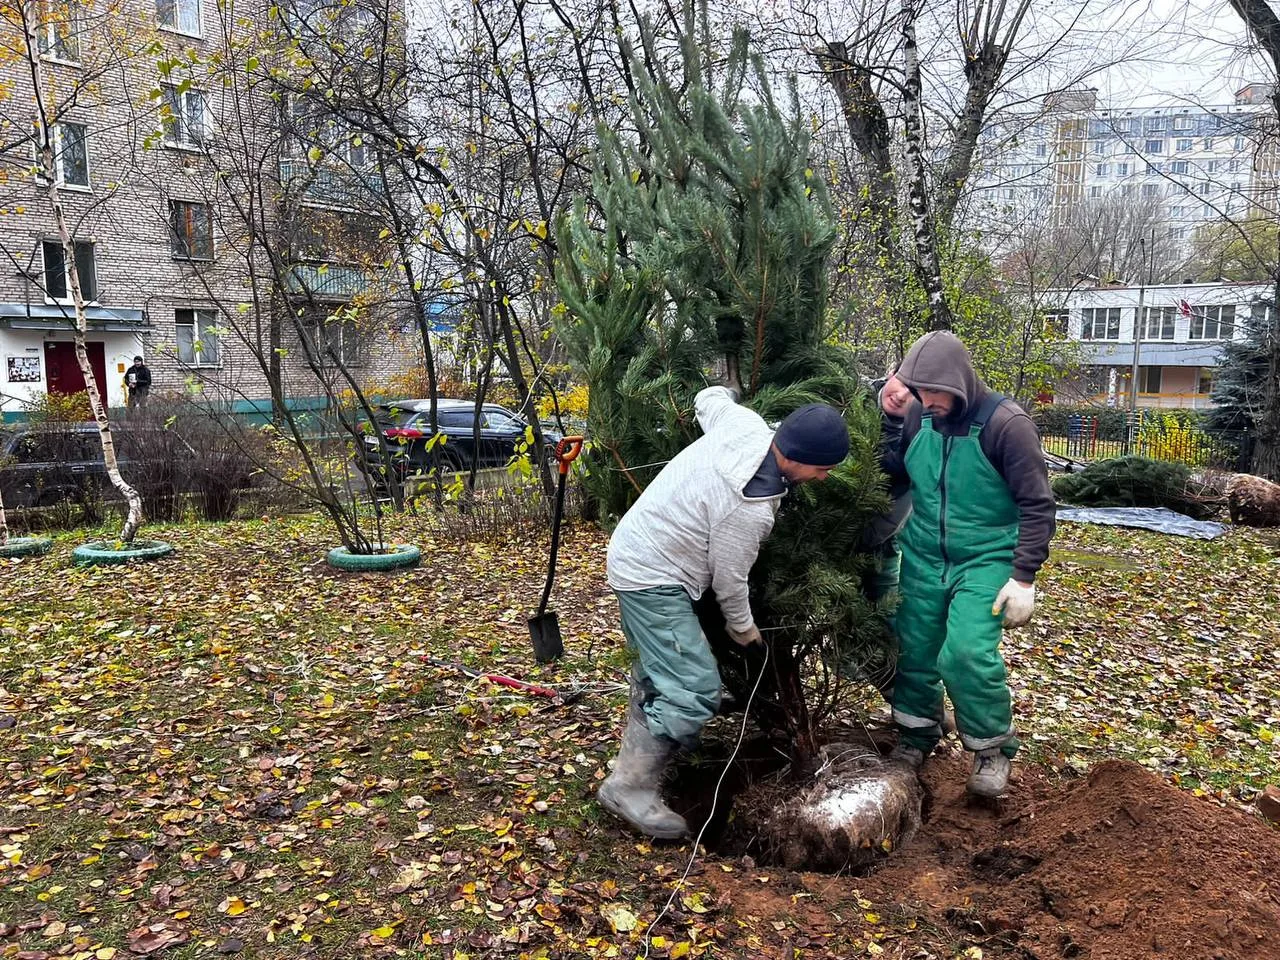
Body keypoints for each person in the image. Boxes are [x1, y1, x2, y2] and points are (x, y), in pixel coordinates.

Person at [599, 385, 851, 838]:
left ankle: (638, 770)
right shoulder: (748, 508)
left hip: (637, 549)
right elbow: (729, 583)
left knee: (660, 674)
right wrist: (745, 631)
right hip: (651, 573)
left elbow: (708, 400)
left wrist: (723, 389)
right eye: (823, 468)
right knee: (693, 689)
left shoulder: (745, 424)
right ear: (796, 457)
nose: (825, 477)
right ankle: (629, 788)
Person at [885, 331, 1055, 798]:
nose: (926, 401)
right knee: (915, 649)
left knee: (964, 652)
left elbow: (1037, 505)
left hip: (986, 559)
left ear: (959, 382)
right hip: (922, 554)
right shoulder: (919, 415)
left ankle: (992, 748)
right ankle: (916, 735)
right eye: (919, 391)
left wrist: (1023, 577)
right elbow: (898, 471)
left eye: (935, 391)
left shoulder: (1006, 425)